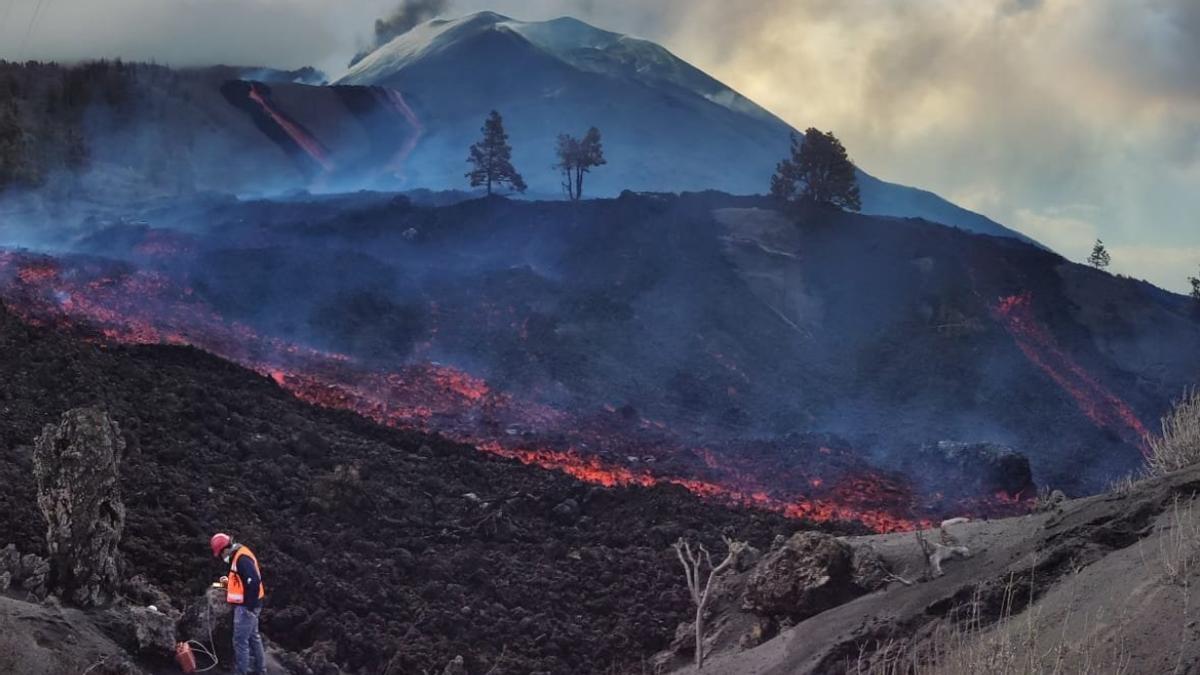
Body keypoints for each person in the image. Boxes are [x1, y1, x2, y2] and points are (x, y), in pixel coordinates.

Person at [210, 533, 267, 675]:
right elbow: (239, 581)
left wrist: (248, 607)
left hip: (246, 607)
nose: (221, 558)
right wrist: (221, 585)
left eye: (220, 555)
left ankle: (242, 672)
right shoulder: (238, 556)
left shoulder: (241, 559)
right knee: (253, 638)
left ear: (225, 549)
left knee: (240, 641)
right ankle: (261, 671)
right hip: (252, 605)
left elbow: (253, 582)